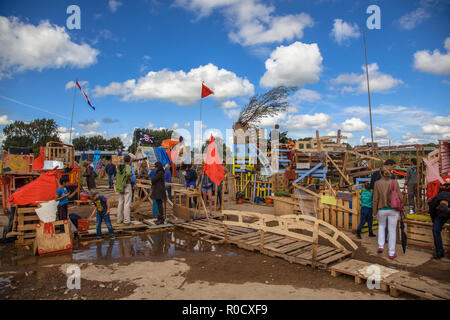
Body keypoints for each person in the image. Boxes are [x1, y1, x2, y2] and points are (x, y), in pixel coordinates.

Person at [373, 166, 403, 259]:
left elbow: (375, 199)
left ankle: (381, 246)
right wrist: (401, 209)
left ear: (380, 174)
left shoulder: (377, 183)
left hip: (381, 209)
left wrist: (374, 212)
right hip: (393, 209)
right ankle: (391, 252)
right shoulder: (394, 182)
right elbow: (400, 196)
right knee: (392, 230)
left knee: (381, 227)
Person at [428, 189, 450, 259]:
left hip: (447, 212)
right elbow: (431, 212)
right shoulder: (434, 202)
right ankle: (439, 252)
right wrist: (434, 221)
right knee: (435, 230)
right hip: (438, 214)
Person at [116, 155, 133, 225]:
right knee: (127, 203)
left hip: (120, 186)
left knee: (120, 203)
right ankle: (126, 220)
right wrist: (126, 179)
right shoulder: (128, 166)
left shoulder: (119, 167)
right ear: (129, 160)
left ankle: (119, 219)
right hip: (126, 185)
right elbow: (129, 174)